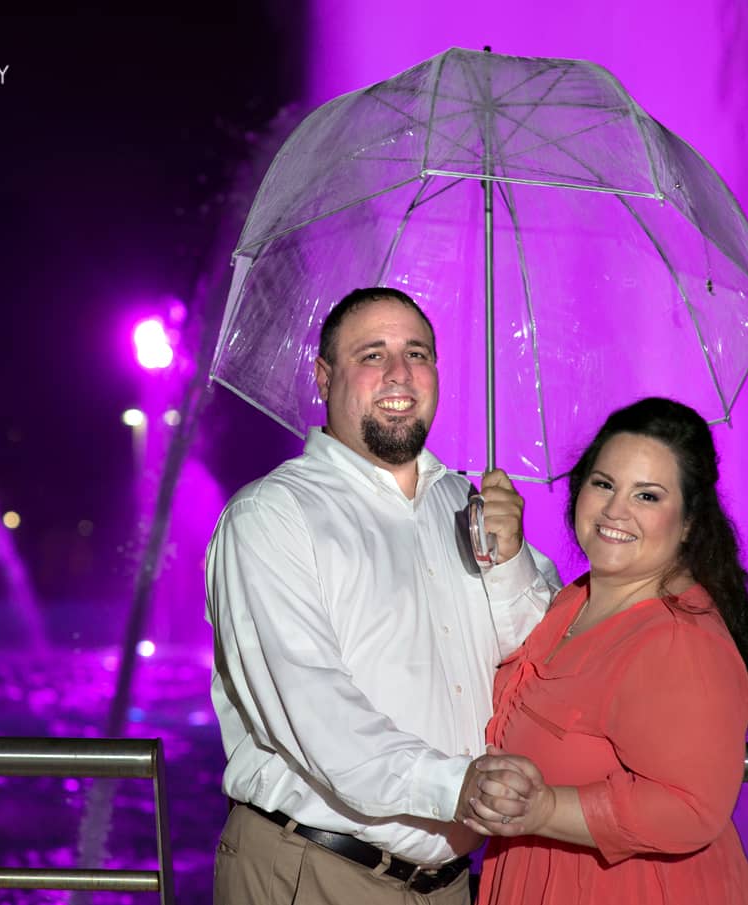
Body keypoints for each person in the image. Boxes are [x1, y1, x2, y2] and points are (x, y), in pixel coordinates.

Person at [207, 287, 562, 904]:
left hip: (449, 884)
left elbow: (547, 660)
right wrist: (459, 786)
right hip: (314, 869)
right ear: (324, 377)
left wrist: (510, 561)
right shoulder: (273, 514)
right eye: (372, 354)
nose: (401, 373)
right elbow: (314, 708)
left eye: (417, 354)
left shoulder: (469, 504)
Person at [463, 396, 748, 904]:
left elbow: (693, 808)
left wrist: (544, 809)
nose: (615, 510)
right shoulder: (574, 600)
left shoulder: (679, 639)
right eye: (604, 484)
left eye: (647, 496)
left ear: (690, 522)